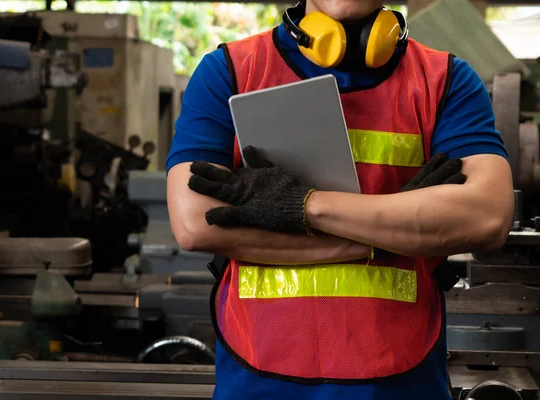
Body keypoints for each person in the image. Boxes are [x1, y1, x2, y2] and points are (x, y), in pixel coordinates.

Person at [166, 0, 515, 398]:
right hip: (259, 384)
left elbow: (488, 218)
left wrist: (301, 206)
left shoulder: (446, 79)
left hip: (403, 385)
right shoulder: (230, 69)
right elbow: (195, 222)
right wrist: (397, 231)